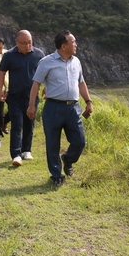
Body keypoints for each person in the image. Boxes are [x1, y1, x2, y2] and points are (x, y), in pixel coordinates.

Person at [27, 30, 93, 186]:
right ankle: (56, 175)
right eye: (73, 42)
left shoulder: (76, 61)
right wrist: (31, 106)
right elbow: (36, 84)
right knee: (52, 143)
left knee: (80, 141)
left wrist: (88, 101)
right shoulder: (46, 62)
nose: (76, 45)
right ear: (64, 46)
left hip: (73, 108)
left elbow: (81, 83)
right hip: (53, 108)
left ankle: (68, 159)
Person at [0, 30, 45, 167]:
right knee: (17, 125)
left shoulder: (39, 54)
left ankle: (26, 150)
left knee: (29, 124)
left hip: (32, 96)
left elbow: (46, 73)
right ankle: (16, 154)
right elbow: (1, 74)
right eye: (23, 43)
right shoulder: (9, 55)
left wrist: (47, 87)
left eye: (29, 42)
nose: (27, 46)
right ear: (17, 42)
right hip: (14, 96)